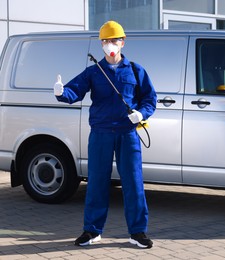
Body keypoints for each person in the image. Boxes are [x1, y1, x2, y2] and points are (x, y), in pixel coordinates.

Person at [54, 20, 157, 249]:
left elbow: (150, 99)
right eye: (106, 41)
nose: (110, 44)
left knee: (133, 182)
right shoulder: (94, 71)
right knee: (97, 181)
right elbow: (75, 90)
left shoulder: (136, 70)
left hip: (127, 133)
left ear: (123, 42)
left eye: (114, 40)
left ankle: (138, 232)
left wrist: (141, 114)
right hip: (100, 133)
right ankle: (92, 231)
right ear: (101, 44)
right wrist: (62, 93)